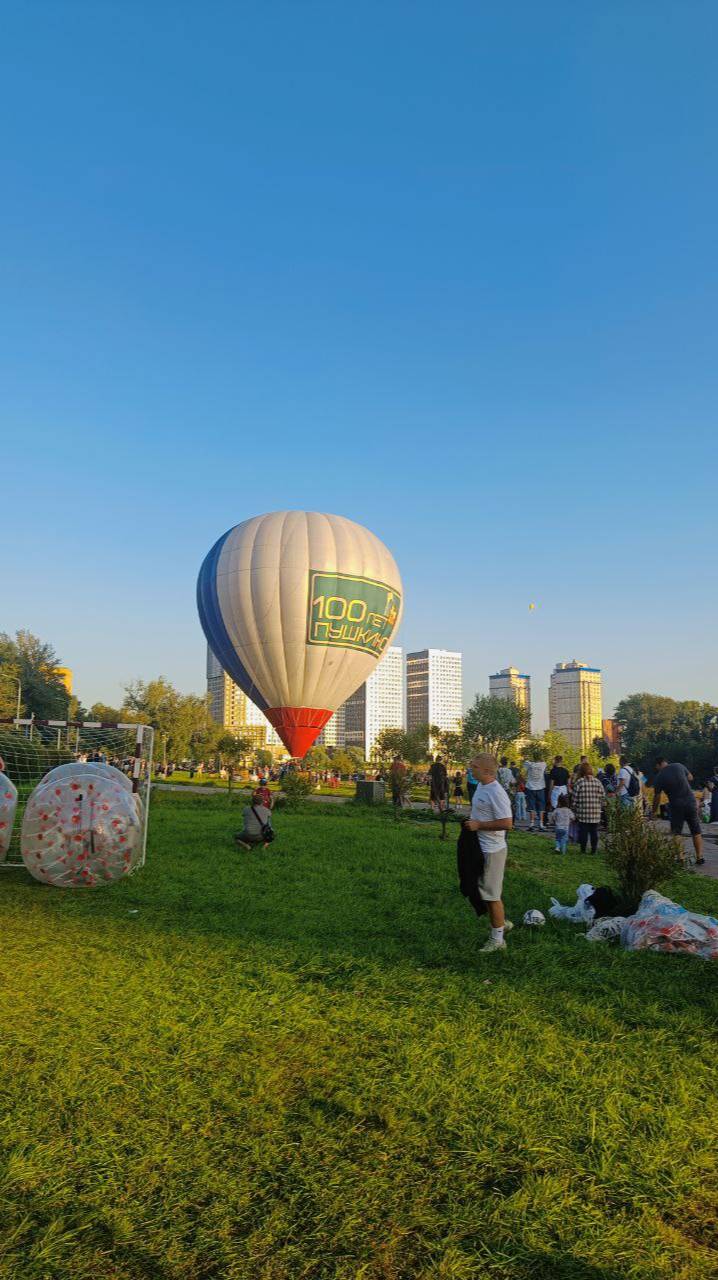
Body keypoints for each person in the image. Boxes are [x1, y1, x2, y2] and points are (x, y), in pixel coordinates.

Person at [464, 752, 514, 952]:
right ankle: (502, 922)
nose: (470, 768)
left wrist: (479, 825)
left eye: (474, 766)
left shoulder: (496, 792)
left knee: (491, 895)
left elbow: (508, 823)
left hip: (493, 850)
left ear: (485, 770)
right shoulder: (481, 786)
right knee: (478, 890)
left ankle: (498, 940)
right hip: (479, 847)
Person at [651, 756, 704, 865]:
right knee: (696, 830)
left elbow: (657, 797)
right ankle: (700, 857)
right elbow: (690, 777)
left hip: (676, 805)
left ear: (658, 765)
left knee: (677, 832)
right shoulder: (679, 765)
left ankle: (680, 859)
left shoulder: (659, 777)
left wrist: (653, 812)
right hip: (690, 801)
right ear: (666, 762)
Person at [571, 761, 605, 853]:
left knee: (584, 832)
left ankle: (583, 849)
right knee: (594, 832)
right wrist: (600, 806)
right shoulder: (598, 782)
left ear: (581, 771)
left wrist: (573, 809)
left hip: (583, 812)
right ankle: (594, 849)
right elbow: (603, 797)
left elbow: (574, 799)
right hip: (595, 812)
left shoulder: (579, 782)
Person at [523, 756, 547, 831]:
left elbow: (525, 763)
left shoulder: (529, 764)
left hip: (530, 787)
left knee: (531, 806)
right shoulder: (543, 764)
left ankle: (531, 824)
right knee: (541, 806)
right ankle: (541, 824)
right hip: (540, 788)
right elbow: (543, 761)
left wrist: (531, 761)